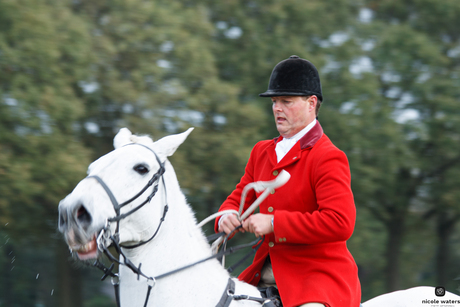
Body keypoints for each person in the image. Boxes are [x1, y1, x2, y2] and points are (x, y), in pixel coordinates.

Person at [215, 55, 361, 307]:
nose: (277, 108)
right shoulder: (261, 151)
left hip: (317, 279)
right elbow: (239, 197)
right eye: (274, 102)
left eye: (286, 101)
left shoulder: (328, 156)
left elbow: (340, 223)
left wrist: (274, 223)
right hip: (263, 275)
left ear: (311, 103)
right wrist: (226, 216)